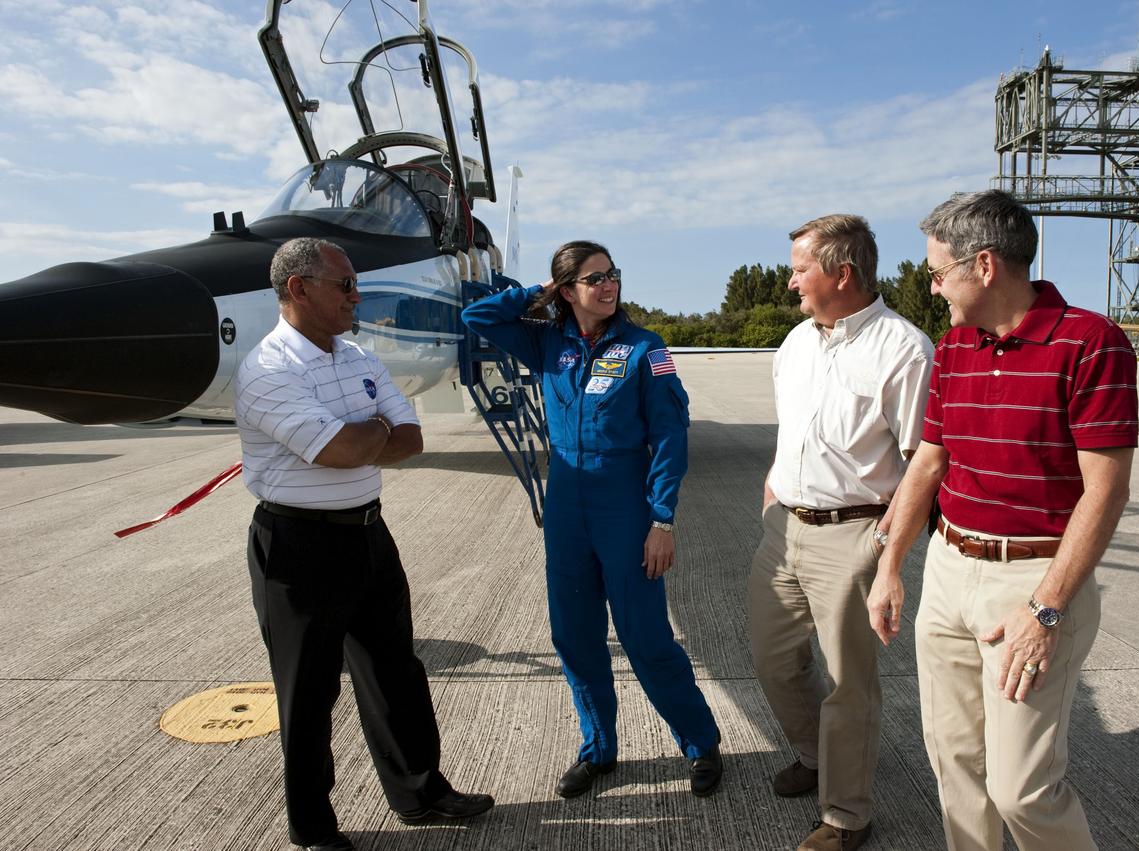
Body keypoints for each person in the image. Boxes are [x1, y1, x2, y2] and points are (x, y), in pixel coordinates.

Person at [868, 190, 1138, 851]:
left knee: (1023, 787)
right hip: (950, 568)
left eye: (937, 272)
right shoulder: (955, 346)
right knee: (955, 765)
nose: (932, 287)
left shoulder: (1090, 343)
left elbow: (1105, 492)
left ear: (983, 265)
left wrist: (1045, 610)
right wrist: (891, 564)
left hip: (1032, 581)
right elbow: (929, 464)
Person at [235, 238, 494, 851]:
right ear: (298, 289)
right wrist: (373, 427)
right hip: (297, 547)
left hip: (369, 536)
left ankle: (421, 792)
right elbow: (345, 450)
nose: (357, 295)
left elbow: (412, 440)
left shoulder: (358, 356)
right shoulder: (268, 370)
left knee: (395, 671)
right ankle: (314, 827)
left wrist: (366, 431)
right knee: (308, 693)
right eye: (344, 285)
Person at [460, 240, 723, 799]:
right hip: (567, 507)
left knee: (645, 636)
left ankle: (699, 742)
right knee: (575, 636)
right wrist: (537, 294)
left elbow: (670, 438)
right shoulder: (548, 342)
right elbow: (476, 315)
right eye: (594, 278)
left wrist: (662, 520)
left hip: (624, 506)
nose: (608, 286)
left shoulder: (645, 349)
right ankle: (599, 749)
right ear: (567, 289)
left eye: (612, 275)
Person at [749, 215, 934, 851]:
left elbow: (923, 460)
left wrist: (888, 551)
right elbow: (791, 429)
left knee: (850, 684)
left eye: (802, 268)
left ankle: (847, 814)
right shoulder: (797, 342)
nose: (791, 279)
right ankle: (815, 753)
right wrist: (777, 484)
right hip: (784, 529)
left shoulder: (903, 349)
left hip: (853, 535)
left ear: (842, 273)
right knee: (772, 660)